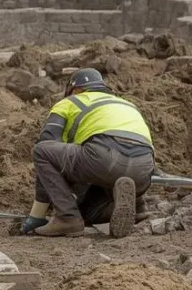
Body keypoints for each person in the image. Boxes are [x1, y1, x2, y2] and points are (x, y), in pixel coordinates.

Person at [20, 68, 155, 238]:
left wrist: (37, 215)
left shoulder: (70, 102)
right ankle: (135, 207)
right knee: (86, 210)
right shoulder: (125, 103)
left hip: (104, 158)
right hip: (144, 169)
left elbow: (47, 143)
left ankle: (67, 218)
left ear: (76, 90)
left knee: (41, 152)